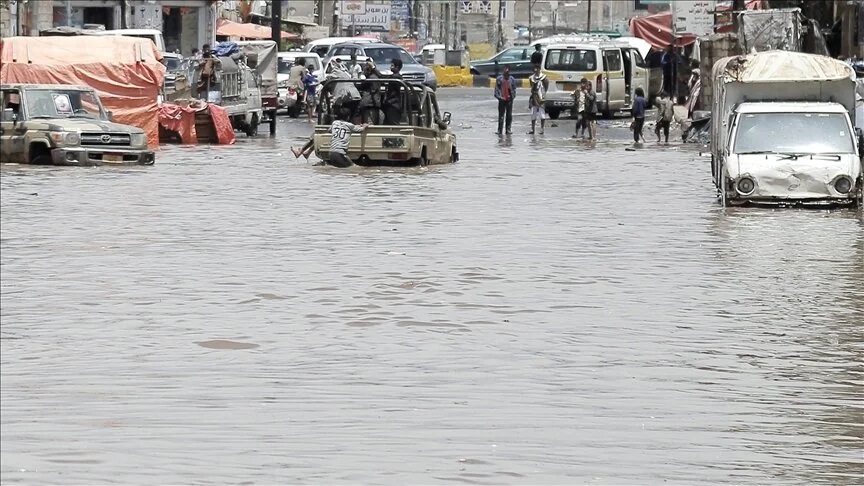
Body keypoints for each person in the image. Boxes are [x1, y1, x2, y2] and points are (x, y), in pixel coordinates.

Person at [494, 65, 517, 135]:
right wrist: (499, 97)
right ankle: (499, 130)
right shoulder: (499, 79)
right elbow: (496, 90)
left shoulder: (512, 79)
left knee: (509, 115)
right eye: (505, 69)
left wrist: (512, 97)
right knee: (501, 115)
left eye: (507, 69)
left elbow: (514, 89)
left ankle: (508, 129)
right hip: (502, 99)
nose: (506, 70)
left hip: (509, 99)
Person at [527, 65, 549, 135]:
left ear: (539, 69)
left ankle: (542, 129)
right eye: (534, 69)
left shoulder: (544, 77)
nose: (535, 70)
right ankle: (532, 129)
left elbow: (546, 86)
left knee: (542, 114)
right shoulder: (531, 78)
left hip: (541, 96)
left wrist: (542, 95)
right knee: (533, 113)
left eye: (537, 69)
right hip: (534, 97)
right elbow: (532, 86)